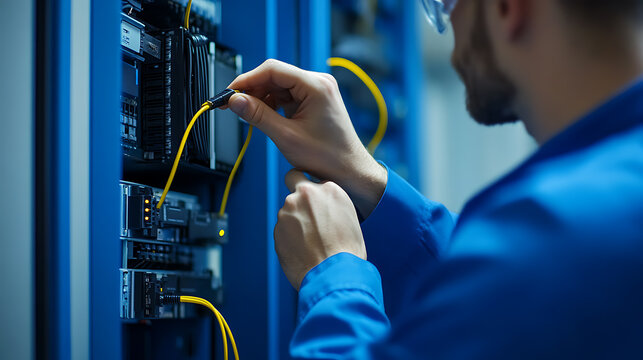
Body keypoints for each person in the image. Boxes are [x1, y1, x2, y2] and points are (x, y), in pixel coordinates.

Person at [226, 0, 643, 358]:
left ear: (507, 7)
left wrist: (333, 276)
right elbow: (491, 299)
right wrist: (363, 178)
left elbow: (519, 273)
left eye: (446, 6)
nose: (450, 33)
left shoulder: (560, 234)